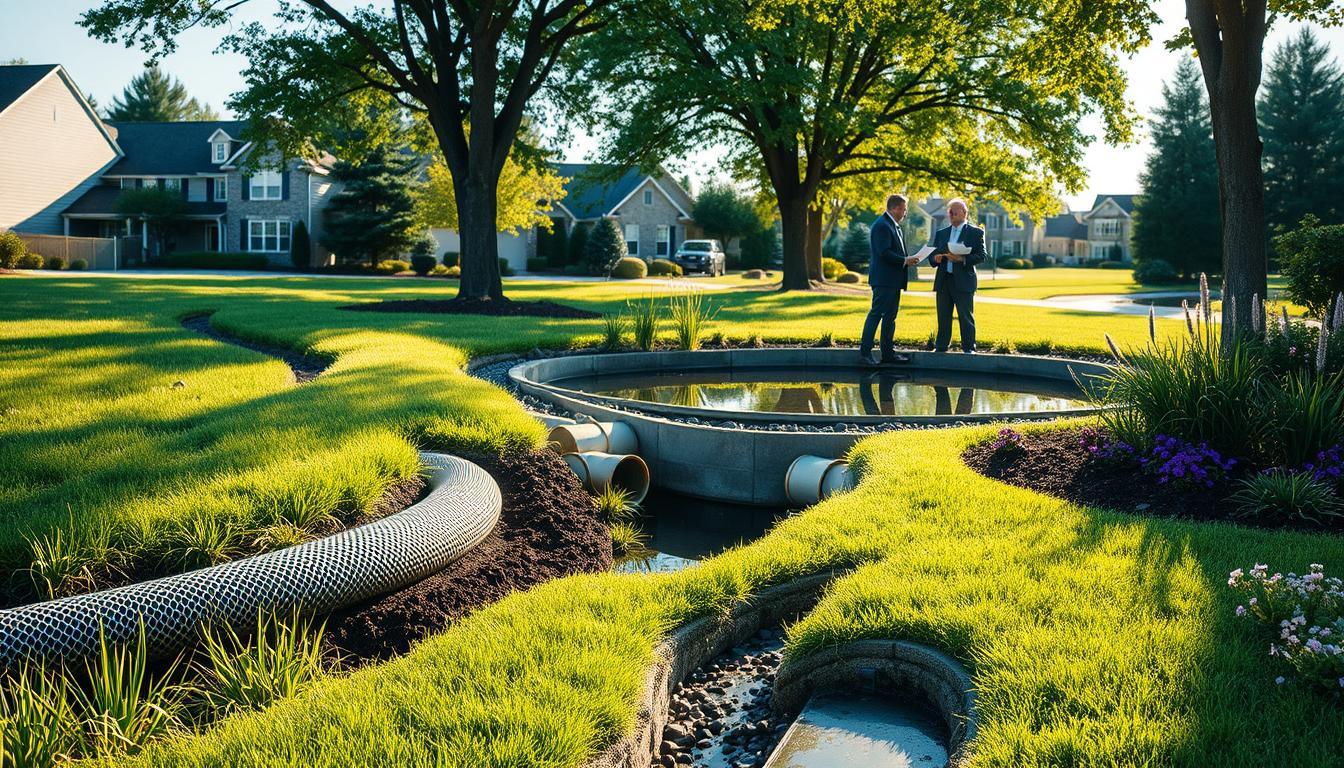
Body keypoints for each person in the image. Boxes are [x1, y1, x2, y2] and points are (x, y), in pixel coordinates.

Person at [859, 194, 923, 366]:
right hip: (883, 280)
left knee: (890, 317)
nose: (905, 213)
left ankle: (888, 354)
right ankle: (865, 354)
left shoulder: (894, 226)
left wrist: (906, 259)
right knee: (876, 314)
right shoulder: (882, 226)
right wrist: (905, 260)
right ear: (894, 208)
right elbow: (884, 252)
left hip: (893, 280)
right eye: (903, 209)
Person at [929, 199, 987, 353]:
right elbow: (932, 254)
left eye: (955, 211)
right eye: (950, 211)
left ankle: (969, 348)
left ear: (964, 213)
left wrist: (962, 259)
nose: (951, 214)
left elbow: (982, 255)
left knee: (965, 316)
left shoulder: (976, 232)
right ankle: (941, 347)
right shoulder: (942, 233)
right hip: (944, 280)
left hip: (963, 281)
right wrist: (935, 258)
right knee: (943, 316)